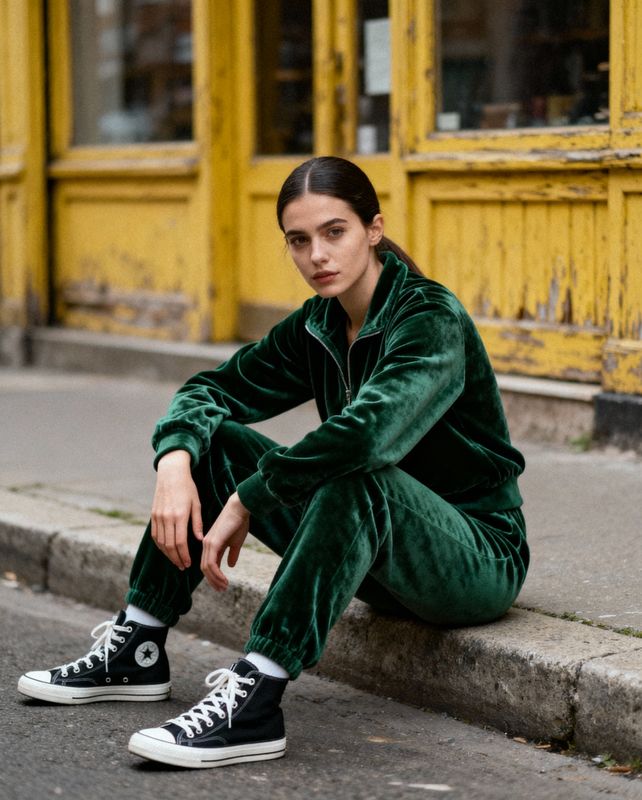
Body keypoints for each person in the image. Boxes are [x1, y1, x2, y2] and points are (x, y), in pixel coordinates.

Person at [17, 156, 529, 769]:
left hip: (473, 557)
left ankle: (257, 698)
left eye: (334, 232)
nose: (318, 255)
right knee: (220, 440)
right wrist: (175, 461)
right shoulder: (318, 325)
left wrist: (248, 497)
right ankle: (138, 647)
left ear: (373, 228)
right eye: (299, 240)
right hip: (375, 554)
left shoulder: (429, 319)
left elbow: (367, 438)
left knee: (359, 475)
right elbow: (212, 389)